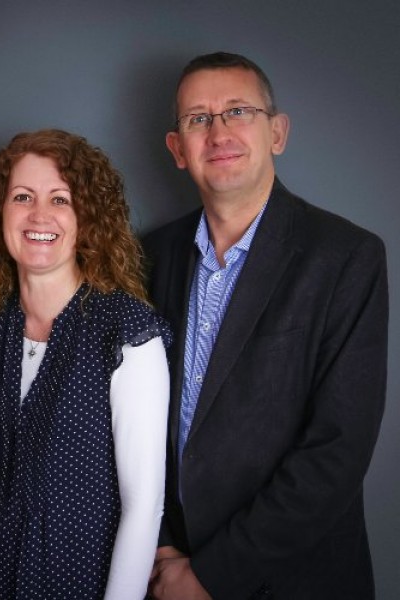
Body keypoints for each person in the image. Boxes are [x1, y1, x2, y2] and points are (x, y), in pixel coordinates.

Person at [144, 52, 389, 600]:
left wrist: (208, 577)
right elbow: (127, 423)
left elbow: (337, 449)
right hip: (166, 571)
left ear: (277, 132)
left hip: (293, 579)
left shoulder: (347, 257)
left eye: (239, 111)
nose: (219, 133)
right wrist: (160, 550)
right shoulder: (149, 257)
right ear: (178, 149)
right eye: (199, 119)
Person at [0, 129, 171, 599]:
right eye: (22, 196)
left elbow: (144, 507)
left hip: (78, 577)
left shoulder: (127, 331)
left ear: (87, 218)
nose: (39, 214)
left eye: (61, 199)